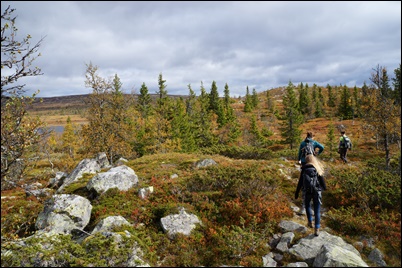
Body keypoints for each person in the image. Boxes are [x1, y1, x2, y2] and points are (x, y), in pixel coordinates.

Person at [294, 154, 327, 236]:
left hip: (307, 191)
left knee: (307, 205)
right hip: (317, 191)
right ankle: (317, 229)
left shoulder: (304, 169)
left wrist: (297, 192)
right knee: (317, 210)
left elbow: (300, 182)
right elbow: (322, 182)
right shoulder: (317, 168)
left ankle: (310, 222)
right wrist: (323, 189)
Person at [296, 132, 324, 215]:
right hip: (312, 161)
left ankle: (303, 206)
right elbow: (322, 147)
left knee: (303, 180)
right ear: (312, 136)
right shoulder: (314, 142)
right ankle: (316, 200)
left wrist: (299, 160)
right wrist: (317, 153)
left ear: (306, 136)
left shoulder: (303, 143)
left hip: (304, 162)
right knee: (315, 176)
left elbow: (299, 153)